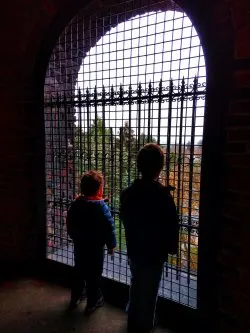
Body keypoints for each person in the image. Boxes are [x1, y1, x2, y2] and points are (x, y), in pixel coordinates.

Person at [120, 143, 179, 333]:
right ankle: (145, 324)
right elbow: (171, 226)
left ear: (138, 165)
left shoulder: (128, 194)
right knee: (150, 291)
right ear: (160, 168)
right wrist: (170, 248)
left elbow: (125, 218)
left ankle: (132, 319)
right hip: (155, 254)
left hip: (135, 248)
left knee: (136, 283)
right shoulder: (163, 197)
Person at [66, 170, 116, 314]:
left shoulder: (76, 204)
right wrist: (111, 245)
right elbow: (109, 227)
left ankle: (76, 296)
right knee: (94, 276)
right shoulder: (102, 207)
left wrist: (74, 236)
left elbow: (70, 222)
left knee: (79, 271)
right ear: (100, 189)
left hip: (80, 246)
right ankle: (92, 302)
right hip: (96, 249)